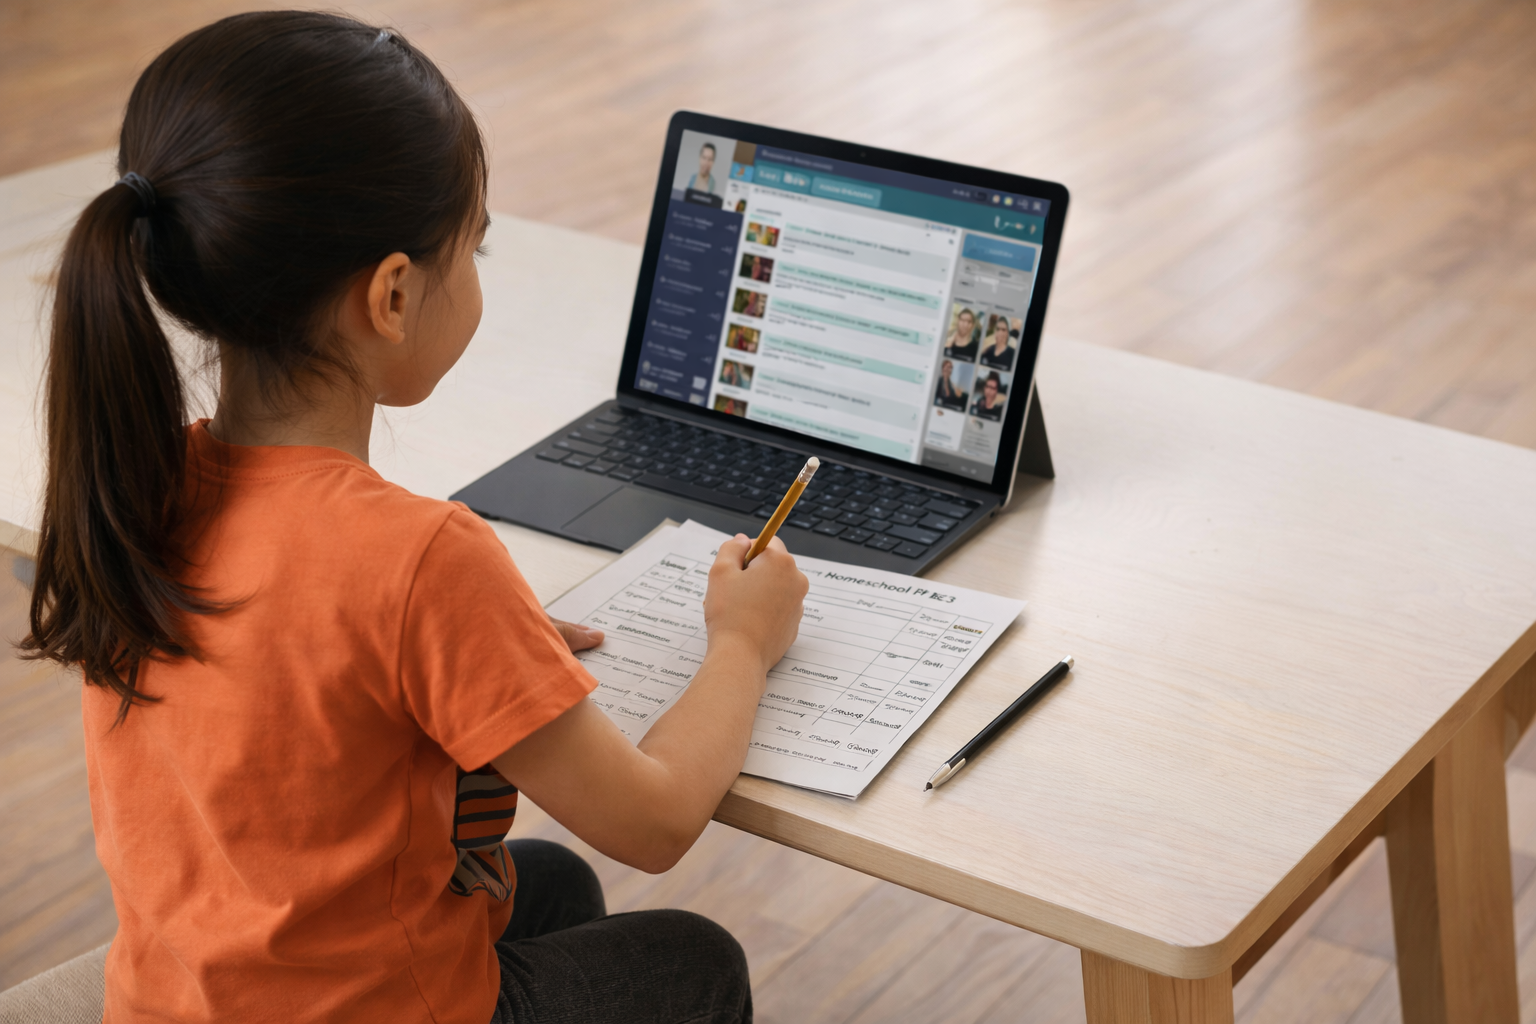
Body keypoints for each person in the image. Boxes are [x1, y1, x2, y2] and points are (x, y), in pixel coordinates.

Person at [19, 13, 805, 1024]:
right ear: (391, 294)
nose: (477, 269)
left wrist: (472, 657)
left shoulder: (136, 482)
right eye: (472, 246)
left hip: (180, 997)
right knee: (693, 956)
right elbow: (655, 821)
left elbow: (304, 687)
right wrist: (741, 640)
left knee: (551, 888)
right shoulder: (419, 556)